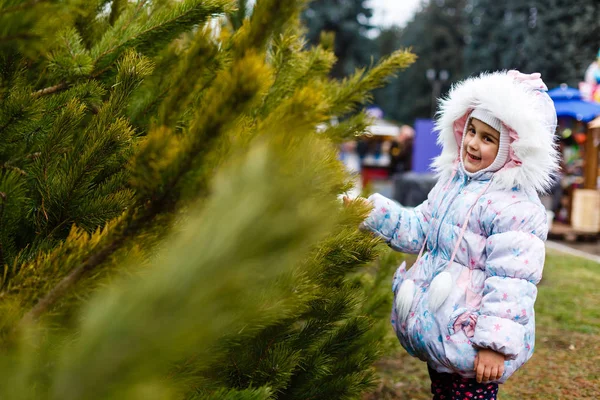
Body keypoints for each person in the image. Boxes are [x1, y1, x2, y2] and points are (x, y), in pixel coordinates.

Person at [345, 70, 559, 400]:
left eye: (488, 138)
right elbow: (418, 229)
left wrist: (494, 345)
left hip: (474, 339)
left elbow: (511, 283)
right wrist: (370, 211)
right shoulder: (452, 184)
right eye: (471, 130)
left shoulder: (515, 208)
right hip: (441, 327)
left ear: (513, 149)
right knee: (442, 393)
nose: (472, 143)